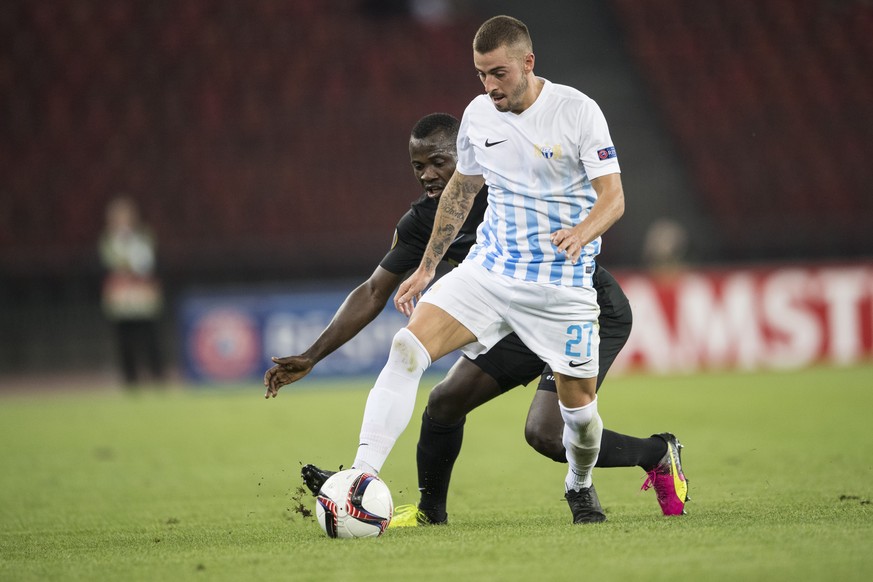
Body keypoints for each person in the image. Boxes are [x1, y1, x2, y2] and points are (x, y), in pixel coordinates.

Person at [265, 111, 688, 522]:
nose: (427, 174)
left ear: (466, 156)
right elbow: (375, 290)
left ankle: (645, 458)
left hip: (586, 308)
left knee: (545, 434)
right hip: (513, 320)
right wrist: (312, 355)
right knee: (445, 401)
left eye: (438, 162)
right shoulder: (422, 223)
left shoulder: (506, 191)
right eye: (418, 165)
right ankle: (428, 512)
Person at [99, 196, 166, 387]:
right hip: (121, 299)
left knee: (149, 337)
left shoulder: (143, 237)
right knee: (125, 340)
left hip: (142, 296)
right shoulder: (108, 240)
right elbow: (105, 264)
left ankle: (157, 377)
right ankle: (131, 379)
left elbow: (152, 262)